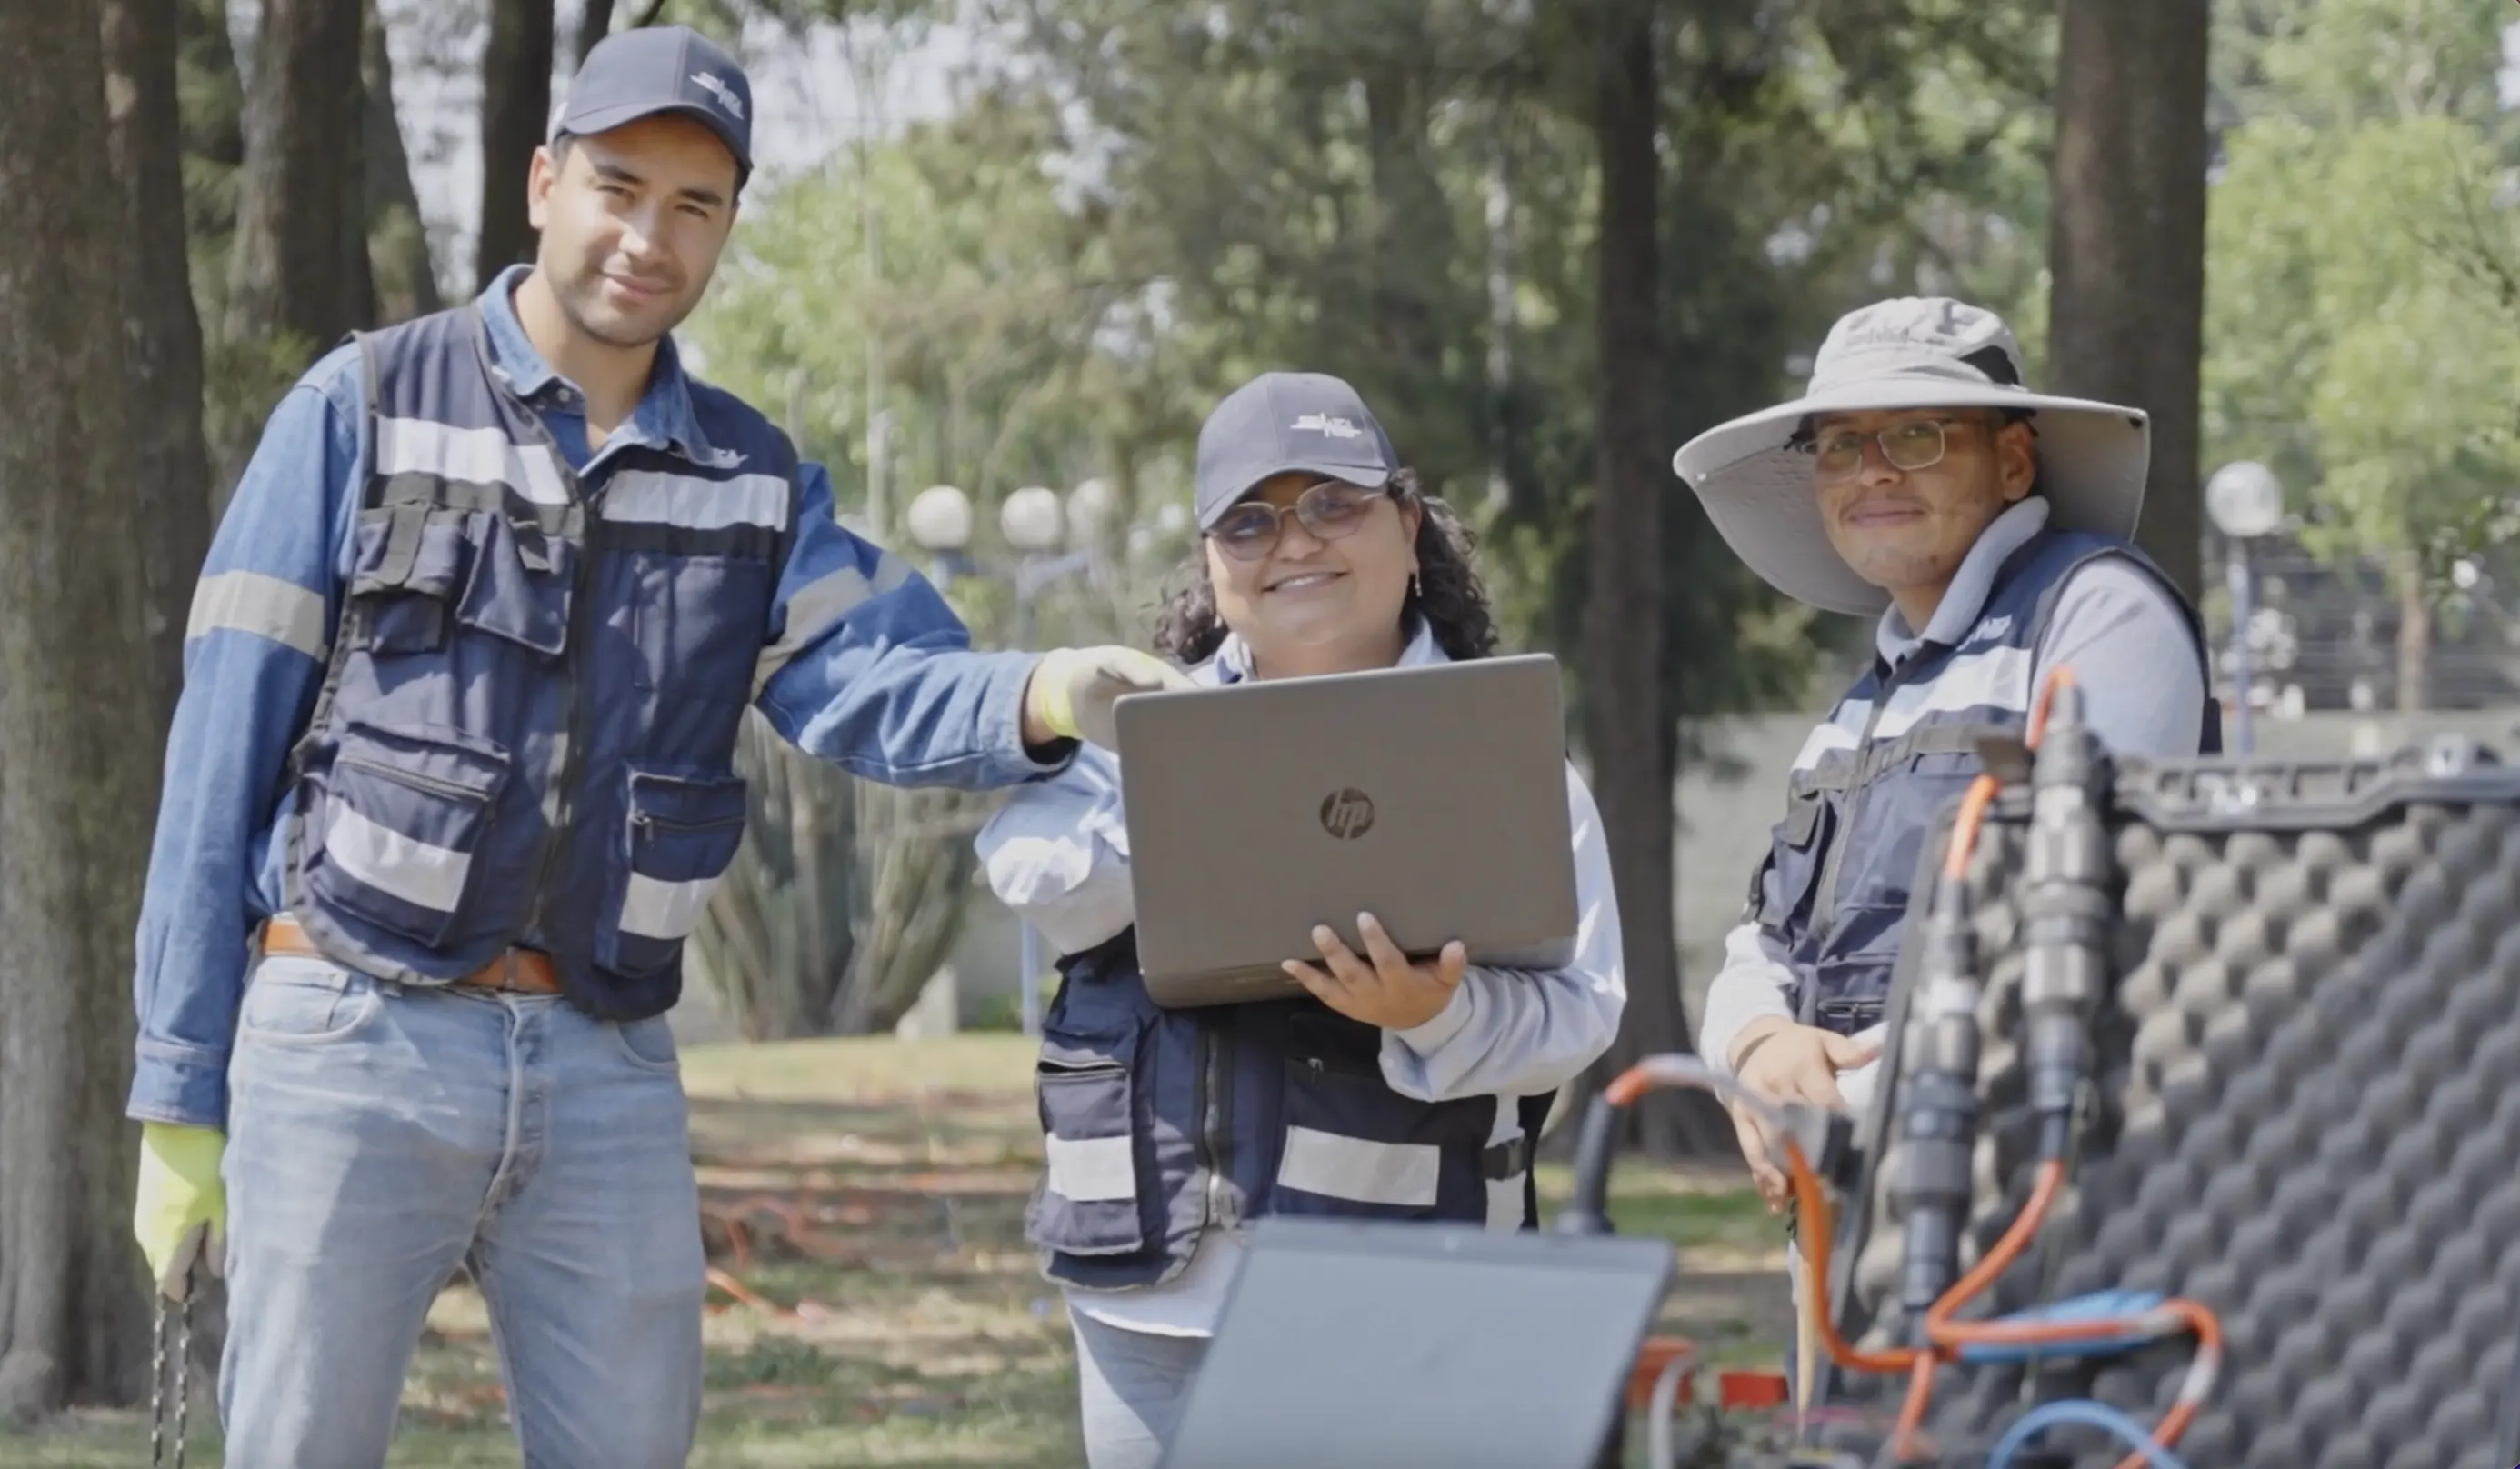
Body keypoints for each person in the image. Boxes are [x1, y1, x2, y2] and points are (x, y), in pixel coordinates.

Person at [124, 27, 1185, 1467]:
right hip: (349, 1037)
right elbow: (217, 757)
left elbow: (876, 679)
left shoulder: (749, 482)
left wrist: (1051, 688)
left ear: (729, 229)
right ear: (544, 182)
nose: (648, 236)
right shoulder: (362, 407)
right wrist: (179, 1096)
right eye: (620, 186)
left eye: (695, 206)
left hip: (605, 1066)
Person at [975, 371, 1627, 1469]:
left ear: (1409, 527)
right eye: (1250, 519)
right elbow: (1029, 872)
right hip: (1147, 1303)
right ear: (1213, 563)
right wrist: (1192, 791)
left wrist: (1441, 1013)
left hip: (1394, 1292)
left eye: (1334, 502)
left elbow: (1584, 1009)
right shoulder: (1125, 721)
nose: (1295, 542)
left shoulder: (1500, 754)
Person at [1669, 296, 2216, 1205]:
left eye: (1916, 435)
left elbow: (2085, 934)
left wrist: (1832, 1106)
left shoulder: (2098, 613)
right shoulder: (1859, 706)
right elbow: (1759, 942)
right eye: (1841, 444)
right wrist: (1761, 1048)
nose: (1872, 472)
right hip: (1858, 1202)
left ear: (2011, 463)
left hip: (2059, 1203)